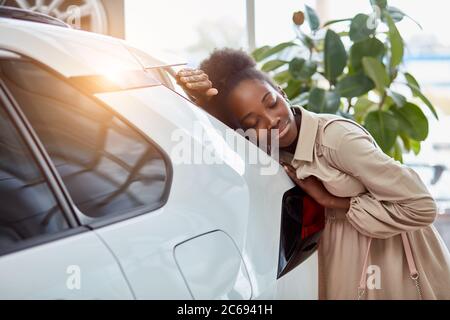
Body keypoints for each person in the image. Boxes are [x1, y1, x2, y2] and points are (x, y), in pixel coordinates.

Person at [175, 48, 450, 299]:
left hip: (390, 262)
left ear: (281, 92)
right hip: (338, 263)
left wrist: (333, 202)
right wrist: (199, 101)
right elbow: (212, 147)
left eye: (271, 103)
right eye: (253, 122)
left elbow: (422, 206)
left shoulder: (337, 140)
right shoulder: (269, 153)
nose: (271, 121)